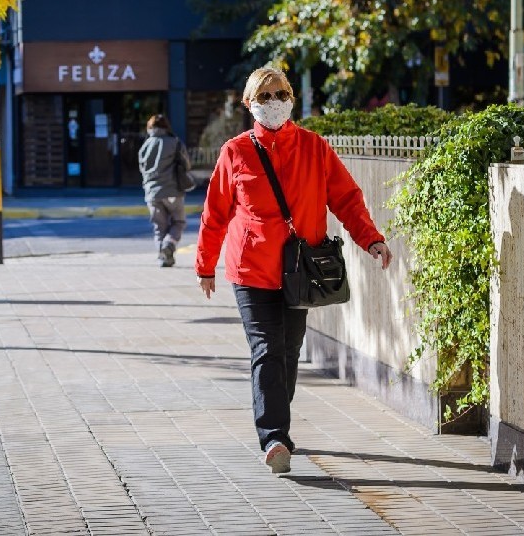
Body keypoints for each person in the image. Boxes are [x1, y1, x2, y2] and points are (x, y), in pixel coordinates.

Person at [195, 67, 393, 475]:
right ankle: (274, 437)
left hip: (299, 272)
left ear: (292, 98)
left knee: (288, 352)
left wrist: (370, 238)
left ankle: (277, 428)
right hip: (251, 271)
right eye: (264, 96)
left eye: (280, 93)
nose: (274, 102)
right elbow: (215, 213)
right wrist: (205, 264)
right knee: (267, 350)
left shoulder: (314, 147)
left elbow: (346, 198)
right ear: (249, 104)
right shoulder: (235, 152)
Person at [138, 114, 192, 267]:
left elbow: (142, 169)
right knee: (179, 222)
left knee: (158, 227)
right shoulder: (175, 142)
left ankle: (163, 257)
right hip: (173, 190)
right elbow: (186, 165)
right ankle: (169, 245)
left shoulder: (145, 145)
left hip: (152, 194)